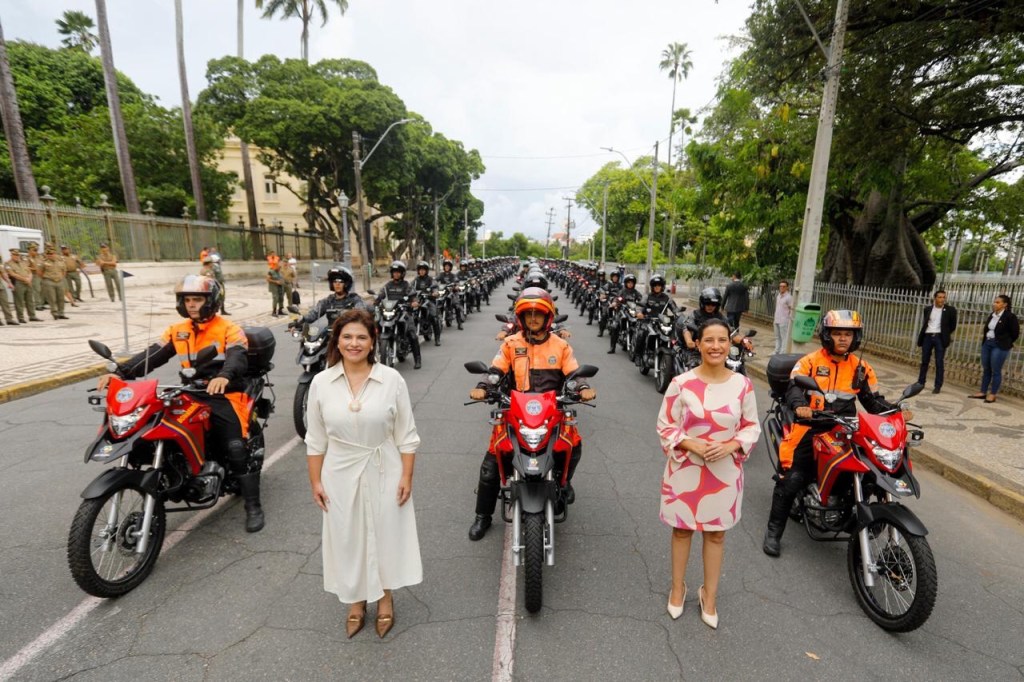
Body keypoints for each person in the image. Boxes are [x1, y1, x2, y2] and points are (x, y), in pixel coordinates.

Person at [96, 275, 265, 532]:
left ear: (212, 301)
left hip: (225, 393)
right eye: (187, 300)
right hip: (190, 391)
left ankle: (253, 506)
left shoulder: (229, 329)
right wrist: (120, 373)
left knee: (235, 446)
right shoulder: (177, 330)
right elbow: (153, 355)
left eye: (197, 299)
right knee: (157, 424)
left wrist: (224, 376)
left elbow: (237, 357)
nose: (191, 304)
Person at [304, 308, 421, 639]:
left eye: (361, 337)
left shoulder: (391, 380)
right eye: (347, 337)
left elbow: (406, 434)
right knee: (347, 537)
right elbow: (315, 439)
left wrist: (406, 477)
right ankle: (355, 601)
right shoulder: (321, 383)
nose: (353, 343)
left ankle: (385, 598)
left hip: (384, 465)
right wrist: (315, 481)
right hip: (338, 471)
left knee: (385, 533)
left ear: (372, 342)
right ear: (337, 341)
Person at [762, 310, 898, 558]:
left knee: (869, 469)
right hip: (811, 424)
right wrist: (799, 406)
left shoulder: (861, 368)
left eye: (848, 334)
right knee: (792, 477)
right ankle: (773, 532)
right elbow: (794, 388)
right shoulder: (810, 361)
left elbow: (872, 401)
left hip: (844, 429)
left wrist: (894, 411)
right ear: (827, 335)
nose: (843, 338)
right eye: (838, 333)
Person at [467, 287, 596, 541]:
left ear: (547, 317)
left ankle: (564, 482)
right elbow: (495, 371)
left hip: (553, 411)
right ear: (521, 317)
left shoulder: (561, 346)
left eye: (538, 314)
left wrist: (583, 388)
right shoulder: (511, 344)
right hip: (514, 410)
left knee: (573, 446)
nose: (533, 318)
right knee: (490, 465)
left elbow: (574, 373)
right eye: (528, 314)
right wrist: (483, 387)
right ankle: (483, 516)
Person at [658, 318, 760, 629]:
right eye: (709, 340)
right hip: (685, 468)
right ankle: (678, 588)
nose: (716, 346)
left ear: (729, 344)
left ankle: (709, 595)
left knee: (716, 535)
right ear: (699, 345)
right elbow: (665, 426)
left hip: (724, 472)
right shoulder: (680, 383)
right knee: (681, 530)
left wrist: (731, 445)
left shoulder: (743, 385)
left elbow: (751, 427)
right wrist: (692, 445)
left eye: (722, 340)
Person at [970, 294, 1019, 404]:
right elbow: (987, 329)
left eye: (997, 302)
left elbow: (1015, 333)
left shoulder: (1010, 317)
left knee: (996, 370)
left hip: (1000, 346)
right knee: (986, 368)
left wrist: (1006, 342)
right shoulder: (992, 315)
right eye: (994, 302)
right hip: (987, 343)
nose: (994, 304)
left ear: (1005, 304)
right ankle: (983, 392)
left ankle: (992, 394)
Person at [375, 260, 422, 369]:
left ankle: (418, 359)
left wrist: (414, 302)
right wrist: (375, 301)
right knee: (377, 324)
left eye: (398, 272)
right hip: (390, 311)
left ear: (402, 273)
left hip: (403, 312)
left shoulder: (406, 285)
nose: (396, 274)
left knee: (412, 334)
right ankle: (379, 348)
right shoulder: (387, 286)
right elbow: (380, 296)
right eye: (394, 272)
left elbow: (413, 296)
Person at [290, 267, 367, 329]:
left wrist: (347, 313)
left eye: (340, 281)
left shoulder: (354, 299)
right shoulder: (328, 301)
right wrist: (301, 320)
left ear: (346, 284)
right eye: (334, 281)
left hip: (349, 332)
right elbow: (314, 313)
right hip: (331, 333)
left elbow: (361, 311)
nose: (337, 284)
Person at [916, 289, 957, 394]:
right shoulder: (928, 309)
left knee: (939, 361)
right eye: (939, 297)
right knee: (924, 361)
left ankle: (938, 386)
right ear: (935, 298)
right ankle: (921, 382)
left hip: (940, 337)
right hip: (928, 336)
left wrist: (945, 333)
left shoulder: (950, 310)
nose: (942, 299)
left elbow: (952, 326)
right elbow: (926, 322)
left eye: (944, 297)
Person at [607, 273, 642, 353]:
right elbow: (617, 298)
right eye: (628, 282)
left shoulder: (636, 292)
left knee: (637, 326)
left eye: (632, 283)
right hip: (622, 311)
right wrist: (615, 302)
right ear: (626, 283)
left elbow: (641, 301)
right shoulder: (622, 291)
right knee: (615, 327)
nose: (630, 284)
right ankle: (612, 347)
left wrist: (642, 306)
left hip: (632, 312)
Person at [4, 248, 41, 322]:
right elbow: (12, 274)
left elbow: (29, 271)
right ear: (11, 255)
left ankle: (32, 316)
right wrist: (24, 279)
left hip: (28, 282)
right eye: (14, 255)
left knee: (30, 300)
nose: (16, 256)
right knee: (19, 301)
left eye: (17, 255)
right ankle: (20, 317)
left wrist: (29, 278)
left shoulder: (23, 262)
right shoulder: (8, 264)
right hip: (18, 283)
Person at [412, 260, 441, 346]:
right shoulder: (415, 280)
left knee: (434, 318)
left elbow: (435, 287)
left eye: (423, 269)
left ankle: (437, 338)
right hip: (418, 301)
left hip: (428, 300)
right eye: (420, 269)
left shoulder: (430, 280)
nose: (421, 271)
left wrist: (435, 292)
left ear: (426, 270)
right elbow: (410, 289)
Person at [40, 244, 68, 320]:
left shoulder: (60, 261)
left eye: (51, 254)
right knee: (52, 299)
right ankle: (54, 313)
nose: (50, 255)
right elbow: (40, 272)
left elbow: (64, 270)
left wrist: (61, 277)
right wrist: (46, 278)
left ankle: (61, 313)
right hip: (49, 281)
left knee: (61, 298)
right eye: (48, 254)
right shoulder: (44, 262)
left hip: (59, 281)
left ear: (54, 254)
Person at [772, 280, 794, 354]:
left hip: (784, 320)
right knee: (777, 337)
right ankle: (776, 351)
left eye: (784, 286)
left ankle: (782, 352)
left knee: (784, 337)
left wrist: (789, 318)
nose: (782, 288)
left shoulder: (789, 297)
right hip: (777, 319)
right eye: (780, 286)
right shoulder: (778, 296)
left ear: (787, 287)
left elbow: (792, 309)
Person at [27, 243, 45, 311]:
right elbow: (25, 267)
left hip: (42, 275)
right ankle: (38, 305)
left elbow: (43, 264)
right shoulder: (27, 258)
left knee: (42, 290)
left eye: (36, 250)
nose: (36, 251)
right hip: (34, 275)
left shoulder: (40, 257)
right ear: (29, 250)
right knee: (37, 290)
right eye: (34, 250)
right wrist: (34, 269)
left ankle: (41, 303)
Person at [0, 256, 17, 325]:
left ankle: (9, 319)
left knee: (5, 303)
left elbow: (3, 274)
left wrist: (9, 283)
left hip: (1, 287)